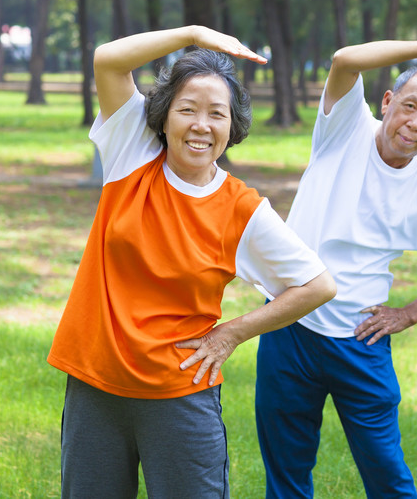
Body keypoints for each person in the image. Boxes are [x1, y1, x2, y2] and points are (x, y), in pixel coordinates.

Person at [47, 25, 337, 499]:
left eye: (216, 115)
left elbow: (317, 285)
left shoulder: (241, 208)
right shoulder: (130, 152)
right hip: (95, 384)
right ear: (162, 119)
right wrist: (193, 34)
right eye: (187, 110)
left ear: (232, 127)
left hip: (179, 393)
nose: (201, 125)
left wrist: (233, 332)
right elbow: (108, 59)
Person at [254, 38, 417, 498]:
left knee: (386, 474)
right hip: (288, 324)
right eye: (409, 106)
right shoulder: (345, 127)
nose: (415, 124)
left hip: (358, 340)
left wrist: (407, 314)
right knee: (286, 473)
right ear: (386, 102)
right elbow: (343, 60)